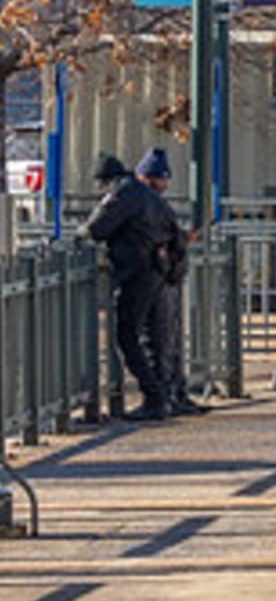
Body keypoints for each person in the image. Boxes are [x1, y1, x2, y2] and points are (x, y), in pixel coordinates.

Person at [86, 154, 177, 421]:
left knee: (127, 336)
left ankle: (155, 398)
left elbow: (97, 227)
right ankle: (161, 396)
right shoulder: (148, 195)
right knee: (151, 336)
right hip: (157, 271)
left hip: (137, 272)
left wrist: (81, 235)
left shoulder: (125, 193)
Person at [137, 149, 203, 417]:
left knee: (160, 341)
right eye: (162, 179)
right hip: (167, 277)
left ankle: (165, 397)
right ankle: (173, 394)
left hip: (160, 278)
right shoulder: (157, 205)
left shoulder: (147, 203)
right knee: (167, 341)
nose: (165, 185)